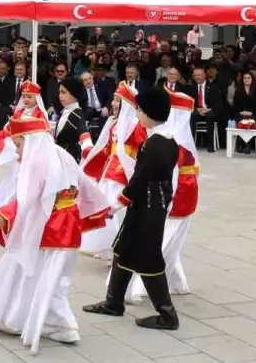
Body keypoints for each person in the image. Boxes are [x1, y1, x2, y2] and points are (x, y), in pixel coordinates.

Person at [0, 113, 110, 351]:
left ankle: (62, 324)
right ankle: (22, 317)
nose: (17, 152)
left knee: (45, 276)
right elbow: (85, 185)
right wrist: (102, 206)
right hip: (67, 225)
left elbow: (29, 199)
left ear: (30, 140)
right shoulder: (61, 154)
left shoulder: (37, 162)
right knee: (44, 274)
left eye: (19, 145)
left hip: (50, 226)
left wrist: (6, 214)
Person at [83, 83, 180, 331]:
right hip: (149, 203)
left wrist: (116, 205)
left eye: (140, 111)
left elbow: (139, 180)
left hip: (149, 205)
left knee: (148, 257)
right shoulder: (165, 140)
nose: (137, 115)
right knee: (123, 248)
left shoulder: (156, 143)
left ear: (150, 113)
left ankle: (167, 316)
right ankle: (113, 302)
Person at [127, 86, 198, 304]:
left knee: (163, 242)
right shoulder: (177, 138)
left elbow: (171, 176)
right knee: (170, 239)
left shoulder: (172, 140)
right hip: (183, 193)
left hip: (177, 196)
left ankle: (140, 285)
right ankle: (176, 283)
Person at [80, 82, 147, 260]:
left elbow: (141, 149)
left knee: (114, 209)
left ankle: (119, 247)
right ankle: (107, 246)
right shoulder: (113, 124)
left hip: (123, 173)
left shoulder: (136, 125)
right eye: (114, 100)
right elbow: (107, 148)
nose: (114, 104)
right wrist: (90, 154)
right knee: (103, 207)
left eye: (119, 101)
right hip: (109, 170)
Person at [53, 78, 92, 161]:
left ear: (74, 94)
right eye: (59, 92)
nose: (60, 95)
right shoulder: (64, 111)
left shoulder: (77, 113)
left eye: (63, 92)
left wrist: (87, 148)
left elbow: (83, 132)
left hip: (69, 158)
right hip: (59, 156)